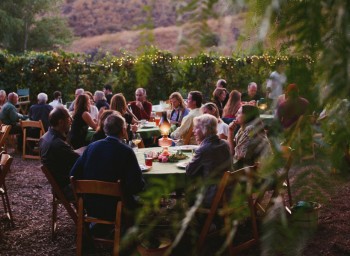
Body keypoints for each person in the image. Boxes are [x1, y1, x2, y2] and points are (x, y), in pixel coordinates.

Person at [70, 113, 145, 222]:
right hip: (117, 206)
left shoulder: (92, 147)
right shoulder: (126, 151)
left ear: (105, 130)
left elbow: (73, 173)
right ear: (123, 130)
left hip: (90, 205)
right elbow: (136, 185)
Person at [186, 114, 232, 208]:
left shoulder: (204, 149)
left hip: (212, 196)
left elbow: (189, 172)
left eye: (196, 128)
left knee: (188, 195)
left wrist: (191, 161)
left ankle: (203, 220)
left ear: (205, 129)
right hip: (229, 191)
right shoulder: (225, 143)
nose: (193, 131)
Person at [39, 107, 79, 199]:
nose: (71, 121)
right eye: (69, 119)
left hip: (58, 186)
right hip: (67, 188)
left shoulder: (45, 137)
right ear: (61, 122)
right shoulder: (58, 144)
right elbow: (80, 161)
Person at [228, 105, 271, 170]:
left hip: (258, 171)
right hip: (252, 167)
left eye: (239, 113)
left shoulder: (250, 129)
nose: (235, 114)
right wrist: (230, 131)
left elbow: (238, 157)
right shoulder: (242, 129)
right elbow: (232, 150)